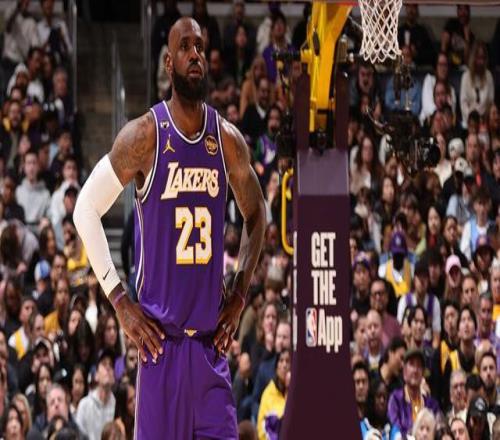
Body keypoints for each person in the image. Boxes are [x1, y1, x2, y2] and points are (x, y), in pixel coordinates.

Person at [73, 17, 266, 439]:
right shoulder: (144, 136)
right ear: (168, 62)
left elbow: (258, 214)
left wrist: (239, 295)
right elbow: (85, 209)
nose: (194, 54)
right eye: (184, 47)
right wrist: (119, 301)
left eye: (200, 46)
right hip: (161, 350)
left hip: (210, 349)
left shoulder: (227, 140)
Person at [256, 349, 290, 440]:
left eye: (287, 361)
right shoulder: (269, 393)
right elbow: (261, 428)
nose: (284, 365)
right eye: (281, 361)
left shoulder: (296, 390)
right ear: (276, 367)